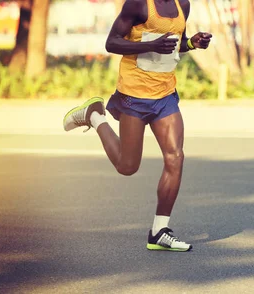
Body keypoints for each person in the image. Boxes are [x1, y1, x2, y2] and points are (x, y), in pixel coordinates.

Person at [62, 0, 212, 252]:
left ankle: (159, 231)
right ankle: (95, 116)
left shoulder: (182, 5)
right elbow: (111, 42)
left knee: (175, 157)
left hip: (165, 95)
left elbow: (175, 44)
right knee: (127, 166)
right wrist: (151, 45)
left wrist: (191, 43)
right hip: (134, 95)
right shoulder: (138, 5)